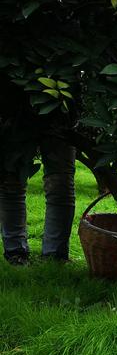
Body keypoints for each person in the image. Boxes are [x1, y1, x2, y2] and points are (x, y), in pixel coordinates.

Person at [0, 79, 76, 265]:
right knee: (11, 180)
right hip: (12, 103)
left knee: (61, 183)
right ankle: (15, 253)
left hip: (61, 108)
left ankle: (55, 256)